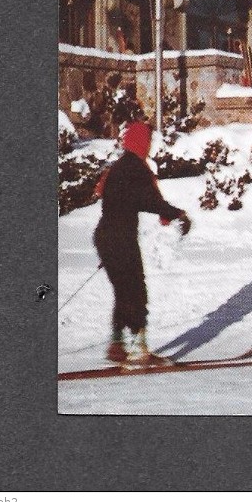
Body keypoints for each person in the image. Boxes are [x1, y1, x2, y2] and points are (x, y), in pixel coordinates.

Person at [93, 121, 191, 363]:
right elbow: (148, 200)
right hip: (120, 240)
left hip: (106, 237)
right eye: (148, 141)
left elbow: (125, 197)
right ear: (141, 142)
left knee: (124, 291)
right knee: (136, 291)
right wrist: (177, 213)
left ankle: (117, 345)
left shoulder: (118, 167)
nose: (150, 146)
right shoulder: (135, 168)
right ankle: (139, 350)